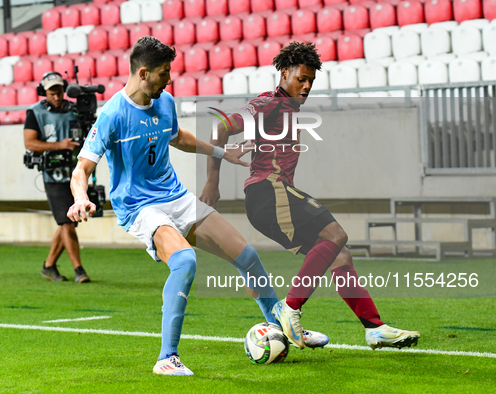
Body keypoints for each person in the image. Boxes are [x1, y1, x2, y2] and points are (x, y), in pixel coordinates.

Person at [68, 36, 328, 376]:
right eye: (164, 73)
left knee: (247, 255)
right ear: (143, 73)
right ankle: (166, 358)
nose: (170, 79)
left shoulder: (164, 102)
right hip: (139, 207)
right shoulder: (112, 115)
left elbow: (178, 137)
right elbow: (81, 169)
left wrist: (223, 153)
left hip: (175, 197)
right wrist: (81, 198)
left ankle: (281, 322)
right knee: (184, 261)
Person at [200, 41, 421, 351]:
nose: (306, 87)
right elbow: (220, 125)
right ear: (284, 74)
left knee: (339, 254)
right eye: (301, 79)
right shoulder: (271, 104)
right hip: (269, 192)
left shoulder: (284, 109)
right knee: (336, 235)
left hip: (272, 196)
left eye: (311, 82)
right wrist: (213, 180)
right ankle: (290, 308)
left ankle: (375, 327)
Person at [23, 71, 90, 284]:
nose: (57, 96)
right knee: (67, 223)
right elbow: (30, 143)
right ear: (44, 92)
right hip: (53, 175)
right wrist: (59, 145)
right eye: (52, 92)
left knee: (67, 222)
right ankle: (79, 270)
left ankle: (49, 265)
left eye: (60, 91)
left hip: (75, 174)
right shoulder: (35, 112)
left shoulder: (75, 111)